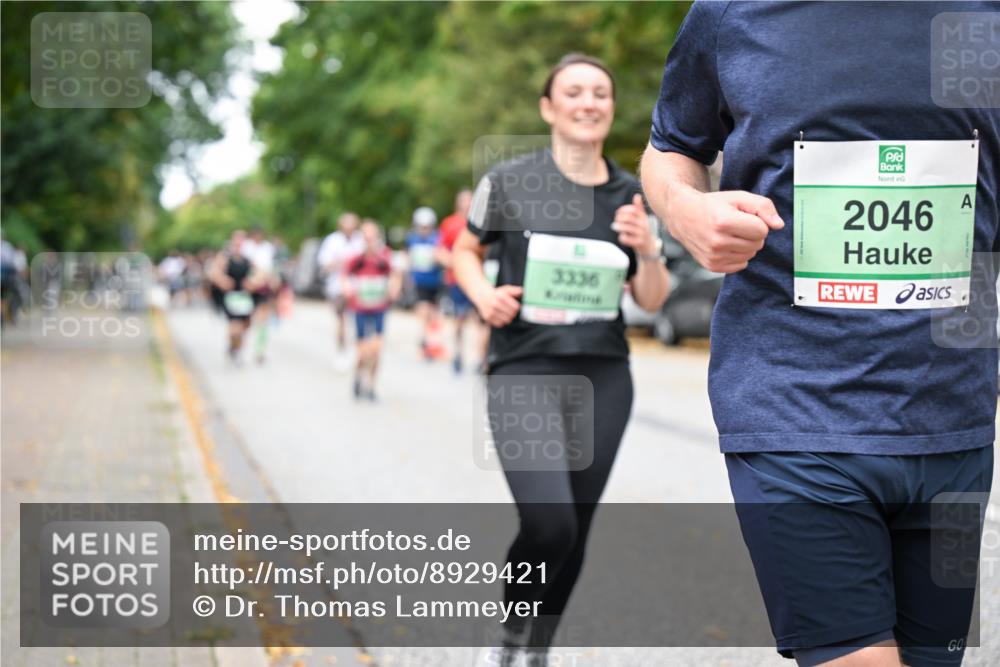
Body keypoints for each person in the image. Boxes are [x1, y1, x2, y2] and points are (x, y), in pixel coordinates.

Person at [640, 3, 998, 667]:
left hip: (953, 420)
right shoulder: (734, 13)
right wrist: (687, 210)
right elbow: (671, 150)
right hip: (792, 406)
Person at [454, 53, 670, 666]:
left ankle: (538, 649)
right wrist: (482, 294)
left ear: (611, 108)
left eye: (600, 92)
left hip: (604, 374)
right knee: (550, 523)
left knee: (577, 524)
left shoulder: (631, 196)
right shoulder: (509, 182)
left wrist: (649, 252)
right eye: (573, 91)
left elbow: (650, 300)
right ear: (549, 108)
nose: (588, 102)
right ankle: (511, 637)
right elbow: (465, 252)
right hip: (523, 369)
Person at [342, 220, 401, 401]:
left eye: (372, 237)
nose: (369, 241)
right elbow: (345, 276)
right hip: (360, 308)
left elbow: (395, 275)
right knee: (363, 351)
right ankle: (358, 375)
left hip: (379, 308)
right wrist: (348, 290)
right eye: (365, 238)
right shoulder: (356, 259)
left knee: (376, 349)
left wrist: (393, 289)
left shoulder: (385, 257)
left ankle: (371, 386)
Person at [436, 189, 482, 373]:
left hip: (479, 279)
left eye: (470, 201)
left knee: (480, 320)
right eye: (464, 201)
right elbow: (439, 250)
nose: (467, 204)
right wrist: (455, 262)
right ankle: (458, 354)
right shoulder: (450, 223)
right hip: (457, 280)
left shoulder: (483, 221)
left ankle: (480, 357)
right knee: (459, 319)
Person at [318, 212, 365, 369]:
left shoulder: (361, 240)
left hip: (359, 287)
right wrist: (342, 263)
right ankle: (342, 351)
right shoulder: (332, 241)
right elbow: (325, 264)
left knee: (358, 321)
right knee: (342, 320)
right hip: (338, 287)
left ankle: (358, 350)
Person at [208, 231, 259, 364]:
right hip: (231, 297)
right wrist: (223, 280)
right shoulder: (225, 257)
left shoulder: (248, 258)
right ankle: (234, 350)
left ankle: (236, 348)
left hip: (244, 297)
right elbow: (213, 273)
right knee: (234, 326)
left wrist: (252, 282)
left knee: (244, 326)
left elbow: (259, 273)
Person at [406, 206, 445, 360]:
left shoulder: (437, 238)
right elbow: (409, 257)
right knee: (423, 310)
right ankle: (423, 339)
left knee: (433, 314)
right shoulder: (412, 239)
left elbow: (441, 256)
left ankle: (432, 342)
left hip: (435, 281)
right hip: (420, 281)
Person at [242, 225, 279, 364]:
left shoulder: (268, 248)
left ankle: (260, 351)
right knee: (246, 320)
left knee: (263, 320)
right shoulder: (246, 247)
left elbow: (270, 268)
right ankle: (242, 347)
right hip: (249, 287)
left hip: (263, 287)